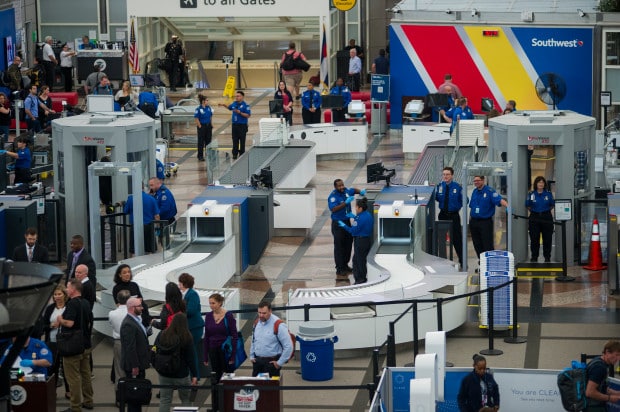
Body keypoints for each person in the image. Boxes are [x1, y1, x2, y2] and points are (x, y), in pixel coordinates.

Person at [57, 278, 94, 412]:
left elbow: (70, 323)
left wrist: (61, 319)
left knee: (73, 378)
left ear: (73, 289)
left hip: (73, 346)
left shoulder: (72, 304)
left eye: (67, 287)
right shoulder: (85, 303)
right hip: (85, 345)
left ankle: (75, 407)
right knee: (85, 374)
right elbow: (90, 322)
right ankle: (88, 400)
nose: (66, 289)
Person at [155, 313, 198, 412]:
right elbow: (191, 358)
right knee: (186, 400)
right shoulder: (187, 337)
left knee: (165, 400)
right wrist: (195, 375)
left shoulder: (162, 334)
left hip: (164, 373)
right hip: (181, 374)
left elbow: (155, 350)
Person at [204, 292, 237, 410]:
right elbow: (206, 337)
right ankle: (216, 405)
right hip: (213, 350)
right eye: (210, 303)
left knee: (226, 377)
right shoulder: (208, 316)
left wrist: (233, 356)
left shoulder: (228, 316)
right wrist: (205, 356)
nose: (211, 305)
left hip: (225, 350)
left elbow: (234, 335)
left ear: (220, 303)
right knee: (215, 378)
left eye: (213, 303)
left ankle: (227, 405)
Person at [329, 179, 366, 278]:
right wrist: (345, 203)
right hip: (338, 223)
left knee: (348, 244)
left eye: (342, 185)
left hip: (346, 222)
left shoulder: (346, 191)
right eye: (339, 186)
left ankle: (345, 265)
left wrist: (361, 191)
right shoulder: (333, 196)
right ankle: (339, 268)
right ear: (335, 187)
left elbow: (353, 190)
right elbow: (333, 209)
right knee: (339, 246)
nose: (341, 187)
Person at [120, 296, 151, 412]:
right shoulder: (128, 324)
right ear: (133, 308)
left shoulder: (135, 320)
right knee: (134, 395)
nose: (142, 308)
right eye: (140, 306)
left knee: (138, 396)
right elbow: (130, 348)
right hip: (134, 366)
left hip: (138, 364)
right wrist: (134, 366)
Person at [469, 176, 508, 261]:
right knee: (477, 244)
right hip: (474, 222)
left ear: (483, 180)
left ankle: (490, 263)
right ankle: (482, 262)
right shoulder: (474, 191)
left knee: (487, 244)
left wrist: (508, 206)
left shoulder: (490, 191)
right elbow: (472, 206)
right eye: (474, 181)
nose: (476, 182)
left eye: (478, 180)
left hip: (485, 222)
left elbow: (499, 200)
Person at [249, 300, 293, 377]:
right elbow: (254, 340)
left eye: (264, 313)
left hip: (271, 364)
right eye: (259, 313)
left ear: (270, 311)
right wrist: (252, 356)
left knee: (271, 389)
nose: (261, 315)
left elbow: (288, 346)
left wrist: (279, 363)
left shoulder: (278, 325)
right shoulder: (256, 323)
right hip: (257, 362)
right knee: (256, 388)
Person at [337, 196, 373, 285]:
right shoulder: (368, 215)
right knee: (360, 260)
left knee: (358, 261)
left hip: (360, 241)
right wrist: (354, 217)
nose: (355, 209)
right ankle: (361, 277)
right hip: (366, 240)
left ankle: (360, 279)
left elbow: (352, 231)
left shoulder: (359, 218)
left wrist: (344, 226)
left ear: (360, 208)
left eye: (356, 207)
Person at [41, 284, 69, 392]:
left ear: (64, 295)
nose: (57, 296)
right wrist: (51, 326)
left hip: (66, 341)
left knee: (67, 368)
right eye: (55, 294)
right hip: (52, 341)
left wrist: (62, 323)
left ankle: (68, 391)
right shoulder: (50, 309)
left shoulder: (69, 306)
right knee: (53, 367)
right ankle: (53, 392)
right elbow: (43, 326)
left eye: (59, 294)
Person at [435, 167, 464, 267]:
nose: (445, 176)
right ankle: (442, 260)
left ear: (452, 175)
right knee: (442, 238)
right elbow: (437, 198)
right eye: (444, 174)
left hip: (454, 215)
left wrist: (457, 206)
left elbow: (465, 200)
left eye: (447, 174)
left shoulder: (458, 187)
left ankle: (462, 261)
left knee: (457, 239)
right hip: (443, 214)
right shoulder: (439, 186)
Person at [178, 273, 205, 376]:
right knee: (190, 352)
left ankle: (195, 376)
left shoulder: (192, 294)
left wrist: (179, 312)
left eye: (180, 282)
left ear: (184, 283)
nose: (178, 284)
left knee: (192, 352)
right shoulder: (185, 294)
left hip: (195, 327)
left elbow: (191, 311)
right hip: (189, 327)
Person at [111, 264, 151, 328]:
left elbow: (140, 299)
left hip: (141, 316)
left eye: (129, 272)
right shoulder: (116, 288)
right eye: (124, 273)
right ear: (119, 275)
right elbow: (119, 304)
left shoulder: (134, 285)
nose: (127, 274)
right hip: (128, 317)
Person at [526, 176, 555, 263]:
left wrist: (544, 212)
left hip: (546, 216)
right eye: (539, 182)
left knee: (547, 238)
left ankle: (547, 257)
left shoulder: (548, 194)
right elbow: (528, 205)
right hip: (534, 217)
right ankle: (534, 257)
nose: (541, 184)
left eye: (542, 182)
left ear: (544, 184)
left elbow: (552, 205)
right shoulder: (531, 194)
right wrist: (536, 212)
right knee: (534, 238)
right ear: (536, 184)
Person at [585, 340, 620, 411]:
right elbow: (590, 392)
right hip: (594, 407)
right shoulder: (599, 367)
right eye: (617, 355)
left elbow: (600, 387)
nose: (618, 358)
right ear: (607, 352)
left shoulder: (598, 362)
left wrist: (616, 393)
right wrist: (609, 398)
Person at [108, 289, 130, 402]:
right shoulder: (132, 313)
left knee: (119, 371)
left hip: (118, 342)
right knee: (131, 370)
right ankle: (131, 394)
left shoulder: (112, 314)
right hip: (131, 343)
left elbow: (111, 324)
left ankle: (119, 398)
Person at [123, 189, 160, 254]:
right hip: (148, 227)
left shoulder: (131, 198)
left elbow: (125, 211)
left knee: (134, 250)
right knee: (150, 250)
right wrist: (158, 228)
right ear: (143, 188)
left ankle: (135, 263)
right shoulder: (151, 198)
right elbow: (157, 215)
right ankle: (150, 263)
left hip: (135, 227)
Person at [218, 91, 251, 160]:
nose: (236, 97)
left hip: (242, 126)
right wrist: (224, 105)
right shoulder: (234, 103)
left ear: (242, 97)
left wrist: (240, 113)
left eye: (238, 96)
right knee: (235, 140)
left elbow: (248, 115)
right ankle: (235, 154)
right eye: (236, 96)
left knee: (242, 141)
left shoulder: (246, 105)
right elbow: (230, 107)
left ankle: (242, 154)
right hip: (235, 125)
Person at [194, 94, 213, 161]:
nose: (208, 102)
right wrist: (200, 126)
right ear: (203, 101)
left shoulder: (209, 108)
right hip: (202, 126)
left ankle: (208, 155)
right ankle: (200, 156)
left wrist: (211, 124)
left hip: (208, 126)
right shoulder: (198, 109)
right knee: (201, 142)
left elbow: (210, 116)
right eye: (207, 100)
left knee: (208, 141)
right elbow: (196, 118)